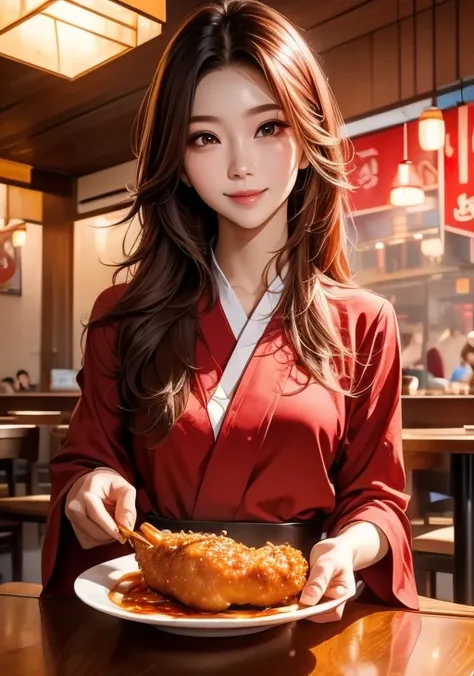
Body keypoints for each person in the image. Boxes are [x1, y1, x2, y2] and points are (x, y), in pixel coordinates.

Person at [41, 0, 418, 618]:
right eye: (205, 136)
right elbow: (90, 458)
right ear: (180, 164)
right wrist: (90, 485)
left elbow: (377, 499)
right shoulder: (123, 314)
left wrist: (349, 547)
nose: (240, 164)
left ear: (306, 138)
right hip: (150, 610)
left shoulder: (364, 321)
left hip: (298, 610)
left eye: (268, 127)